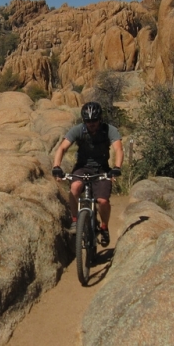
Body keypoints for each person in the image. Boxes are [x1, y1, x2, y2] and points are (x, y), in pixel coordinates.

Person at [52, 101, 123, 245]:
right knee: (74, 188)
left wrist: (116, 168)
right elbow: (62, 148)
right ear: (84, 120)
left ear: (100, 119)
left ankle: (104, 227)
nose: (91, 123)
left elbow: (118, 149)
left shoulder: (109, 130)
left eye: (94, 120)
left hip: (102, 169)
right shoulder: (78, 130)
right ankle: (74, 220)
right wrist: (56, 166)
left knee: (103, 201)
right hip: (82, 167)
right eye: (88, 121)